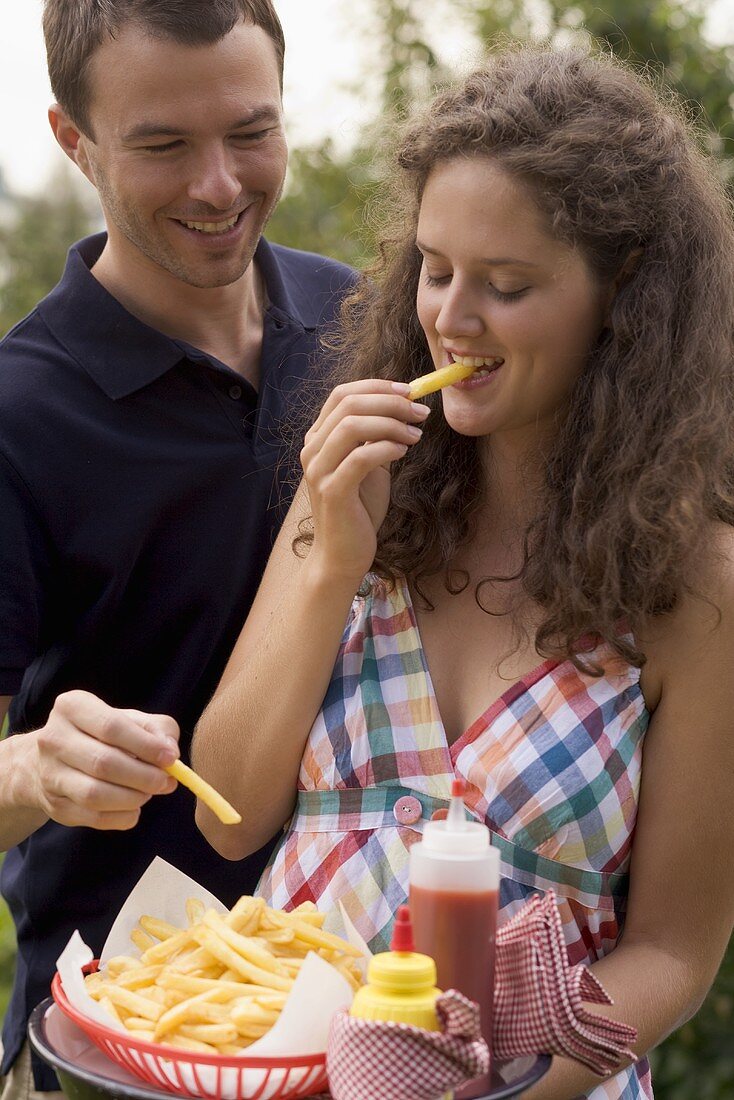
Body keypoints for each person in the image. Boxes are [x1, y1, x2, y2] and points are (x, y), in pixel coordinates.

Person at [192, 43, 734, 1100]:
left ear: (618, 290)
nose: (450, 315)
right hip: (284, 1074)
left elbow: (672, 950)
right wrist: (329, 562)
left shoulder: (698, 585)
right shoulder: (353, 489)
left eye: (506, 284)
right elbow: (226, 812)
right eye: (435, 269)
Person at [0, 2, 355, 1096]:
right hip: (119, 1040)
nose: (217, 185)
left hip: (371, 1033)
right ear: (75, 141)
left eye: (250, 132)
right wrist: (32, 767)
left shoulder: (364, 323)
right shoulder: (19, 414)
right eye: (162, 145)